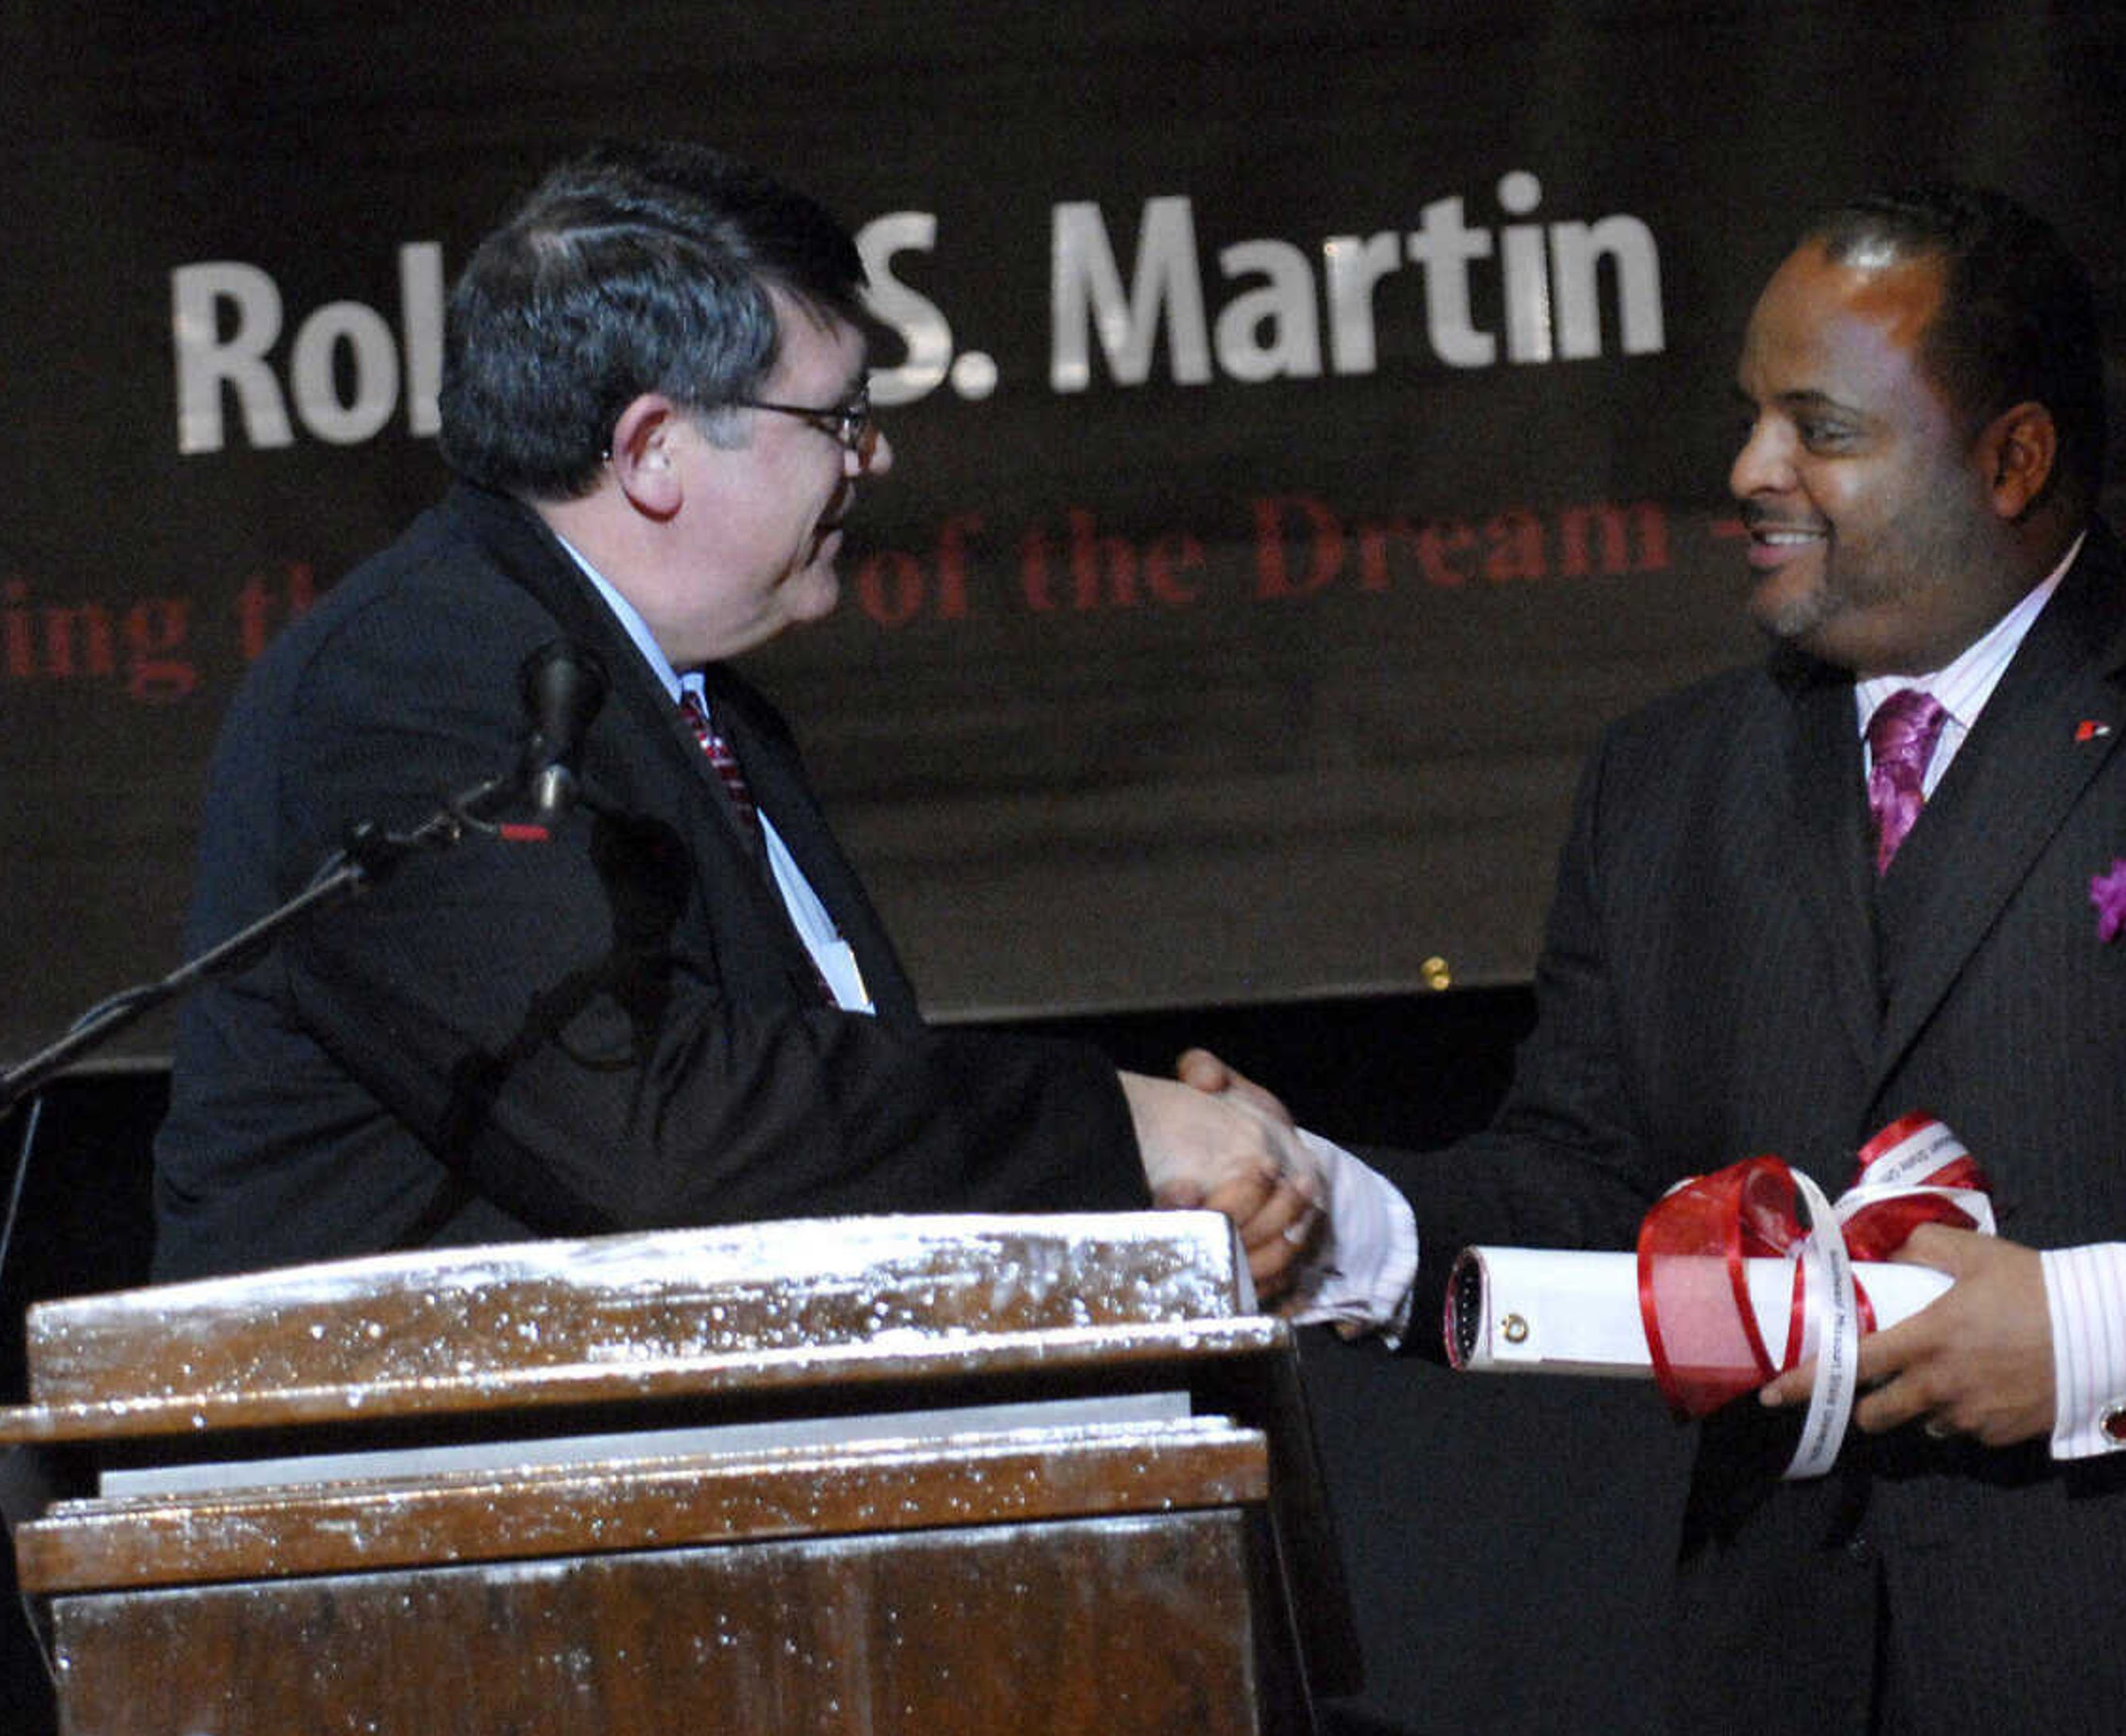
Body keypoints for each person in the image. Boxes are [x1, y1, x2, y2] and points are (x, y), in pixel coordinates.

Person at [1196, 184, 2126, 1736]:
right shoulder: (1665, 784)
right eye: (1752, 417)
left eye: (1819, 429)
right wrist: (1340, 1210)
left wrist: (2098, 1324)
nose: (1754, 471)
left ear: (2012, 459)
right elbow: (1590, 1183)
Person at [152, 140, 1314, 1285]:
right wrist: (1114, 1127)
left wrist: (1155, 1203)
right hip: (434, 1459)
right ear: (655, 449)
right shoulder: (413, 684)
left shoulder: (697, 698)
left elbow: (825, 1132)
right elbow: (654, 1131)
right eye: (840, 417)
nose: (875, 454)